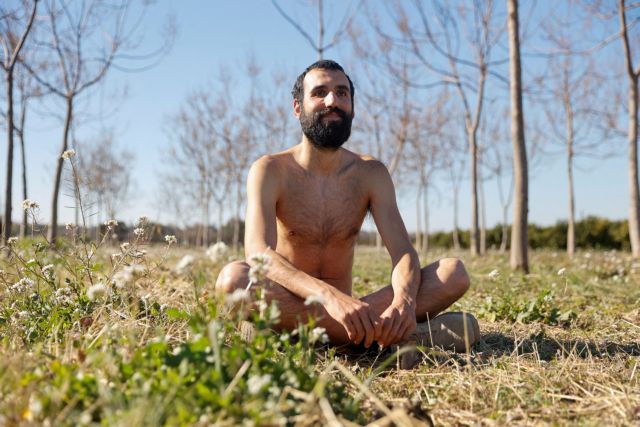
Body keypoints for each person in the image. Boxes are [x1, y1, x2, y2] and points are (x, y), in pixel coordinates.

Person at [216, 60, 479, 351]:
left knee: (453, 273)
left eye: (342, 93)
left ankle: (297, 334)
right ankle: (389, 339)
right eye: (320, 92)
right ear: (297, 108)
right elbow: (258, 254)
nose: (333, 101)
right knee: (233, 281)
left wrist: (404, 301)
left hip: (351, 311)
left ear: (352, 108)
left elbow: (403, 252)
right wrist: (329, 296)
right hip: (292, 299)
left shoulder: (371, 174)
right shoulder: (270, 170)